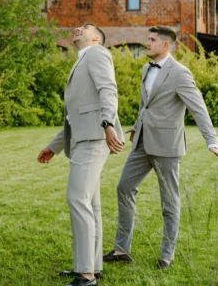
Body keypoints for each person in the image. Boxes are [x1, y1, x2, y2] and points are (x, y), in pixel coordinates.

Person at [104, 26, 218, 270]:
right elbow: (145, 105)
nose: (147, 43)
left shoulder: (180, 73)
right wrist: (137, 126)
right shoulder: (145, 68)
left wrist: (211, 141)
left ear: (165, 45)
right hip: (142, 143)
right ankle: (121, 249)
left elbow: (198, 107)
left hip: (168, 147)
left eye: (152, 40)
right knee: (124, 187)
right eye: (148, 39)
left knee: (169, 201)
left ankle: (166, 255)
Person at [37, 23, 125, 286]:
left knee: (77, 198)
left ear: (95, 38)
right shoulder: (83, 59)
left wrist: (108, 123)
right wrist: (54, 146)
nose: (77, 28)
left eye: (84, 27)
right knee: (91, 204)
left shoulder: (97, 53)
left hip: (94, 138)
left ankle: (86, 276)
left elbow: (108, 90)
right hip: (84, 138)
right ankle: (92, 267)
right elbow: (76, 115)